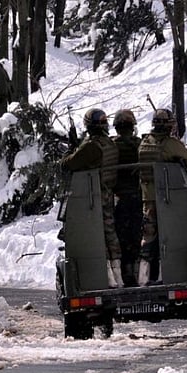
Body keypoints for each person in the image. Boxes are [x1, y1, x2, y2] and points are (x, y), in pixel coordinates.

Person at [59, 108, 123, 288]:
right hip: (108, 193)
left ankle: (108, 277)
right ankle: (118, 275)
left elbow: (69, 164)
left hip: (92, 197)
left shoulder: (92, 146)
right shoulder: (110, 144)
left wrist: (70, 150)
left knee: (97, 236)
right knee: (110, 234)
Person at [137, 108, 187, 286]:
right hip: (168, 199)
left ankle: (144, 277)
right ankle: (166, 276)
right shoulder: (170, 144)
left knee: (148, 238)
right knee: (170, 237)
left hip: (147, 200)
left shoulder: (144, 143)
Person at [111, 109, 142, 287]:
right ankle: (138, 271)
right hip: (139, 198)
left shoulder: (111, 146)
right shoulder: (140, 145)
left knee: (120, 237)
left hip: (118, 199)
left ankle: (125, 271)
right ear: (132, 126)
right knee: (137, 236)